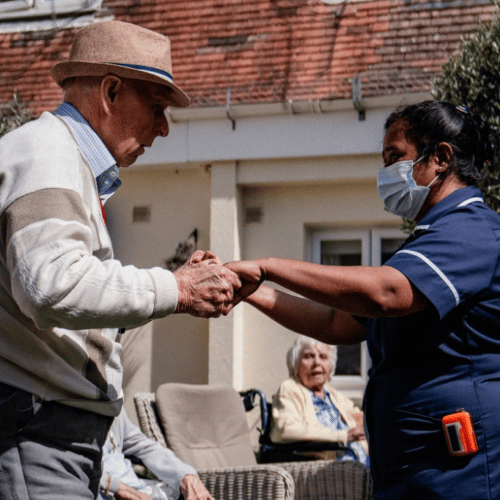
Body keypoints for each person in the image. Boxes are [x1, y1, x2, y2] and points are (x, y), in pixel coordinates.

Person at [0, 20, 240, 500]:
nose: (164, 127)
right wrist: (178, 288)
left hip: (53, 433)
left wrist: (176, 282)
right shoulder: (47, 154)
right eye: (156, 107)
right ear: (111, 91)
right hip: (39, 433)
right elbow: (51, 287)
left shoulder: (61, 158)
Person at [225, 101, 500, 499]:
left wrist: (268, 265)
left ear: (440, 157)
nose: (386, 173)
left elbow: (386, 292)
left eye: (395, 157)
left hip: (459, 466)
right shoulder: (429, 239)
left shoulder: (471, 229)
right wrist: (254, 292)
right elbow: (339, 323)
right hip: (413, 466)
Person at [270, 335, 369, 466]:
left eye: (323, 357)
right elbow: (286, 429)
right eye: (308, 356)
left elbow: (359, 420)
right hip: (327, 468)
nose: (317, 362)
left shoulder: (333, 395)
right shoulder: (290, 389)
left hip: (361, 461)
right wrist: (343, 435)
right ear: (295, 363)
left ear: (330, 365)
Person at [100, 409, 213, 500]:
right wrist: (114, 486)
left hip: (138, 489)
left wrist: (185, 476)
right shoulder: (83, 401)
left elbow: (142, 445)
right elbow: (82, 467)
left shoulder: (113, 395)